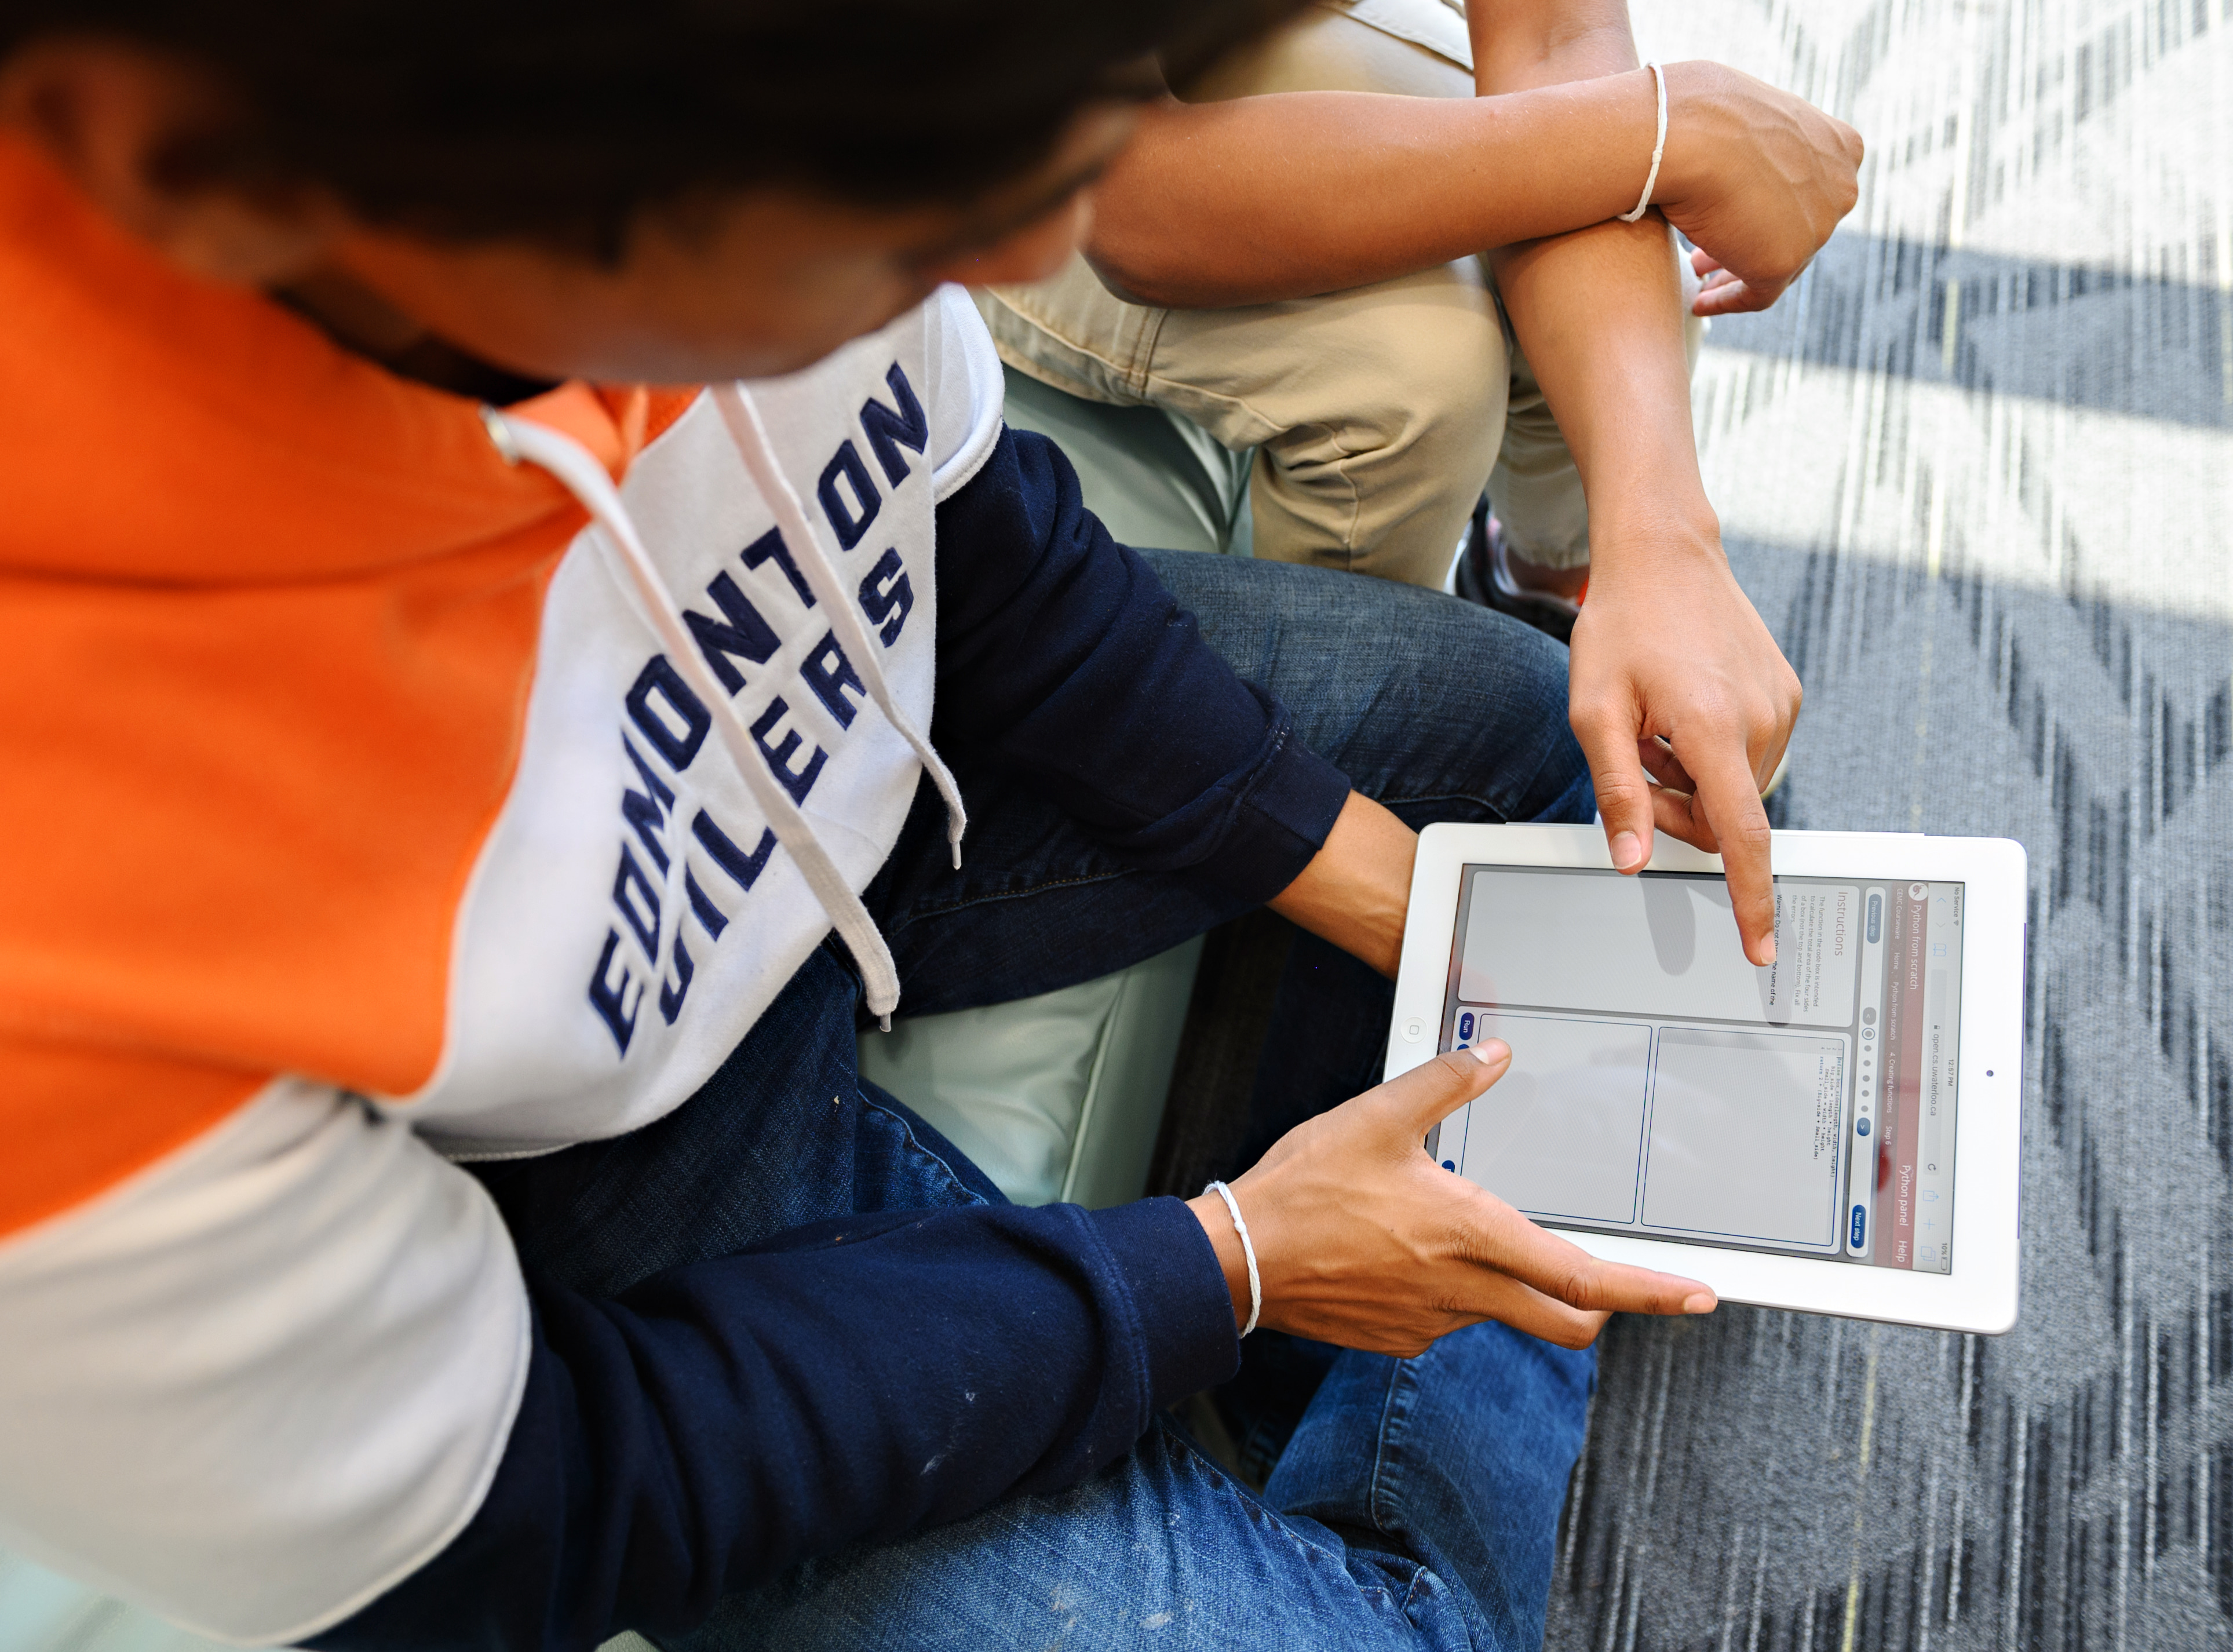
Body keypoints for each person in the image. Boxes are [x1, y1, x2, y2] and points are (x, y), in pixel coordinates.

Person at [0, 4, 1718, 1651]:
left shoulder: (760, 109)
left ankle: (1366, 1278)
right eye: (897, 209)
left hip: (873, 768)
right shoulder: (61, 904)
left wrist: (1416, 912)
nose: (1031, 235)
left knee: (1575, 766)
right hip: (588, 1173)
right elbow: (524, 1501)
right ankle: (1367, 1279)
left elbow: (984, 547)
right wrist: (1231, 1263)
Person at [983, 0, 1862, 959]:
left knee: (1615, 236)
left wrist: (1662, 537)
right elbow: (1131, 193)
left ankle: (1555, 588)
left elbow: (1554, 35)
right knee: (1413, 380)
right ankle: (1353, 783)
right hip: (963, 109)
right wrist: (1670, 128)